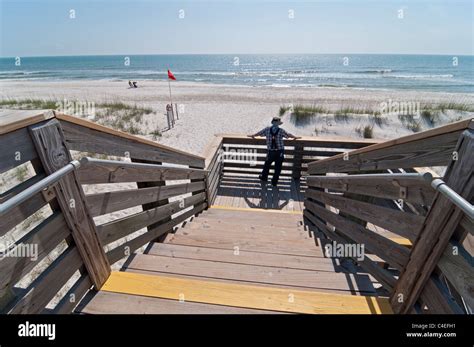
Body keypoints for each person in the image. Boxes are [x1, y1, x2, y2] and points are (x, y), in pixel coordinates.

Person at [248, 117, 300, 186]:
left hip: (271, 151)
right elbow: (288, 135)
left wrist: (253, 135)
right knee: (278, 167)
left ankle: (264, 177)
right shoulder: (281, 130)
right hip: (280, 151)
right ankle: (274, 182)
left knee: (267, 165)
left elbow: (259, 133)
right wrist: (295, 137)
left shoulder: (267, 129)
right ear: (278, 124)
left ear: (272, 123)